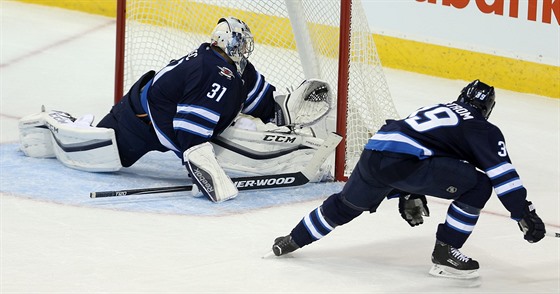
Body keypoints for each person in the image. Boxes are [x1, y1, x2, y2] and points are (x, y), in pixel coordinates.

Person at [18, 17, 334, 203]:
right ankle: (57, 121)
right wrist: (199, 164)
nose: (245, 50)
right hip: (139, 121)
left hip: (157, 117)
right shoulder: (212, 70)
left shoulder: (239, 71)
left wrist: (284, 113)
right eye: (241, 44)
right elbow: (190, 131)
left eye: (246, 44)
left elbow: (264, 105)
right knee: (100, 155)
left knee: (111, 154)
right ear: (226, 43)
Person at [270, 80, 546, 279]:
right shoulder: (482, 127)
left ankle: (292, 240)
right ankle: (446, 253)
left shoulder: (439, 109)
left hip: (374, 152)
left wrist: (407, 192)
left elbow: (412, 141)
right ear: (488, 109)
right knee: (479, 184)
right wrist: (524, 213)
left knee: (346, 206)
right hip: (403, 164)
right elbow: (504, 177)